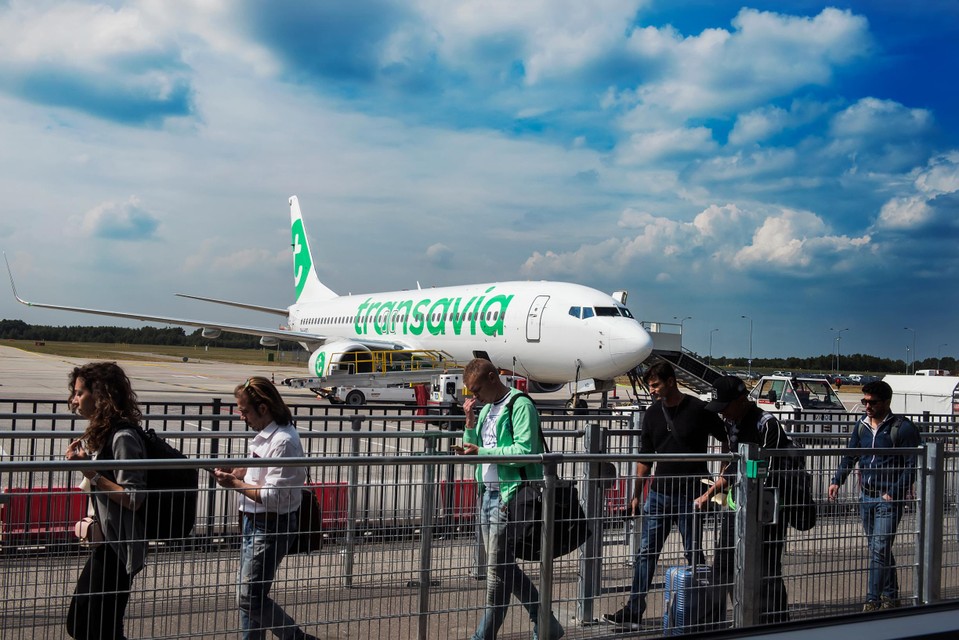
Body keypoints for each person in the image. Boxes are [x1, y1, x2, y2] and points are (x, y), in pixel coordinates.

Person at [604, 362, 728, 629]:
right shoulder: (651, 414)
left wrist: (721, 476)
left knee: (694, 553)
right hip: (658, 494)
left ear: (671, 382)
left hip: (692, 495)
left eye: (656, 385)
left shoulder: (698, 409)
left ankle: (702, 609)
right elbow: (645, 458)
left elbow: (726, 438)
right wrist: (636, 495)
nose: (652, 390)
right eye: (650, 386)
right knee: (646, 553)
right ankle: (633, 610)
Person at [452, 358, 564, 640]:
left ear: (492, 378)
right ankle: (545, 621)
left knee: (497, 574)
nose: (475, 397)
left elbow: (525, 450)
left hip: (508, 496)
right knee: (501, 569)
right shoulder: (488, 407)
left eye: (476, 389)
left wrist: (481, 453)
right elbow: (476, 451)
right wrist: (469, 423)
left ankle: (483, 636)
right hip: (488, 495)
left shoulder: (520, 405)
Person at [213, 377, 319, 640]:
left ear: (263, 408)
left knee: (250, 597)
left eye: (244, 410)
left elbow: (273, 496)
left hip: (270, 525)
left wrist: (234, 483)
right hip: (255, 522)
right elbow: (256, 473)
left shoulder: (282, 441)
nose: (241, 417)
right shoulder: (265, 436)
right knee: (252, 596)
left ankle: (297, 638)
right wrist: (236, 472)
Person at [65, 362, 149, 640]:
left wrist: (92, 473)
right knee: (89, 624)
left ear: (99, 395)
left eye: (79, 393)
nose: (73, 400)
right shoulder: (103, 434)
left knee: (92, 626)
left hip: (120, 546)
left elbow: (134, 498)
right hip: (108, 541)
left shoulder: (123, 436)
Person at [827, 379, 921, 612]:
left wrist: (894, 492)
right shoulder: (861, 426)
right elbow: (851, 455)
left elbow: (912, 466)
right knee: (879, 549)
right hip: (866, 497)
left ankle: (872, 600)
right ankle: (891, 596)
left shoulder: (903, 428)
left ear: (887, 402)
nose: (867, 406)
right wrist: (837, 480)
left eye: (872, 402)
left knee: (879, 549)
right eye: (864, 401)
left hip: (887, 500)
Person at [705, 375, 791, 624]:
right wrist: (715, 490)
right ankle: (715, 624)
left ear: (741, 400)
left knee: (767, 571)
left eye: (725, 408)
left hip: (766, 512)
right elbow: (731, 468)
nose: (722, 415)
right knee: (722, 567)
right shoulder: (732, 422)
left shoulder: (767, 424)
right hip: (736, 508)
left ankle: (777, 624)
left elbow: (769, 472)